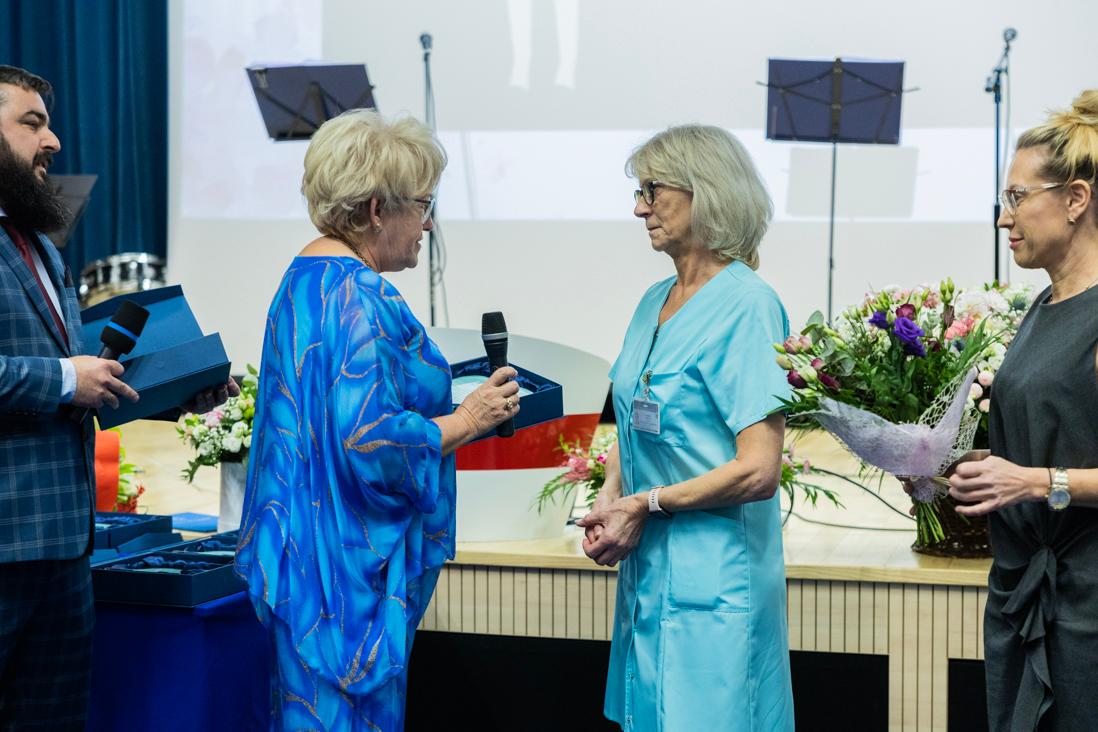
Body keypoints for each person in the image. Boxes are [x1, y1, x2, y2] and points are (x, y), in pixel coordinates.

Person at [234, 108, 519, 731]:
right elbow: (375, 442)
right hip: (343, 583)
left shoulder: (304, 278)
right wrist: (471, 418)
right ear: (375, 210)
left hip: (298, 561)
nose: (428, 223)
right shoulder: (360, 295)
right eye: (422, 204)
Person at [0, 65, 235, 730]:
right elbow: (64, 378)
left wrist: (176, 396)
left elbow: (79, 384)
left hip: (64, 551)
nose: (54, 142)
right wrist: (66, 378)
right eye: (32, 123)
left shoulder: (39, 242)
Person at [577, 125, 794, 731]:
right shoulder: (654, 299)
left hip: (717, 578)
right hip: (649, 569)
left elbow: (758, 471)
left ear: (708, 191)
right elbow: (635, 413)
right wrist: (611, 494)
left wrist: (645, 504)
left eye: (653, 190)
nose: (639, 207)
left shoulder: (749, 305)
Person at [947, 90, 1098, 732]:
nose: (1003, 218)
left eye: (1016, 197)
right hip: (1025, 593)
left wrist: (1034, 482)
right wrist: (965, 470)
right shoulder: (1041, 306)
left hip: (1086, 604)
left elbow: (1041, 473)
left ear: (1076, 199)